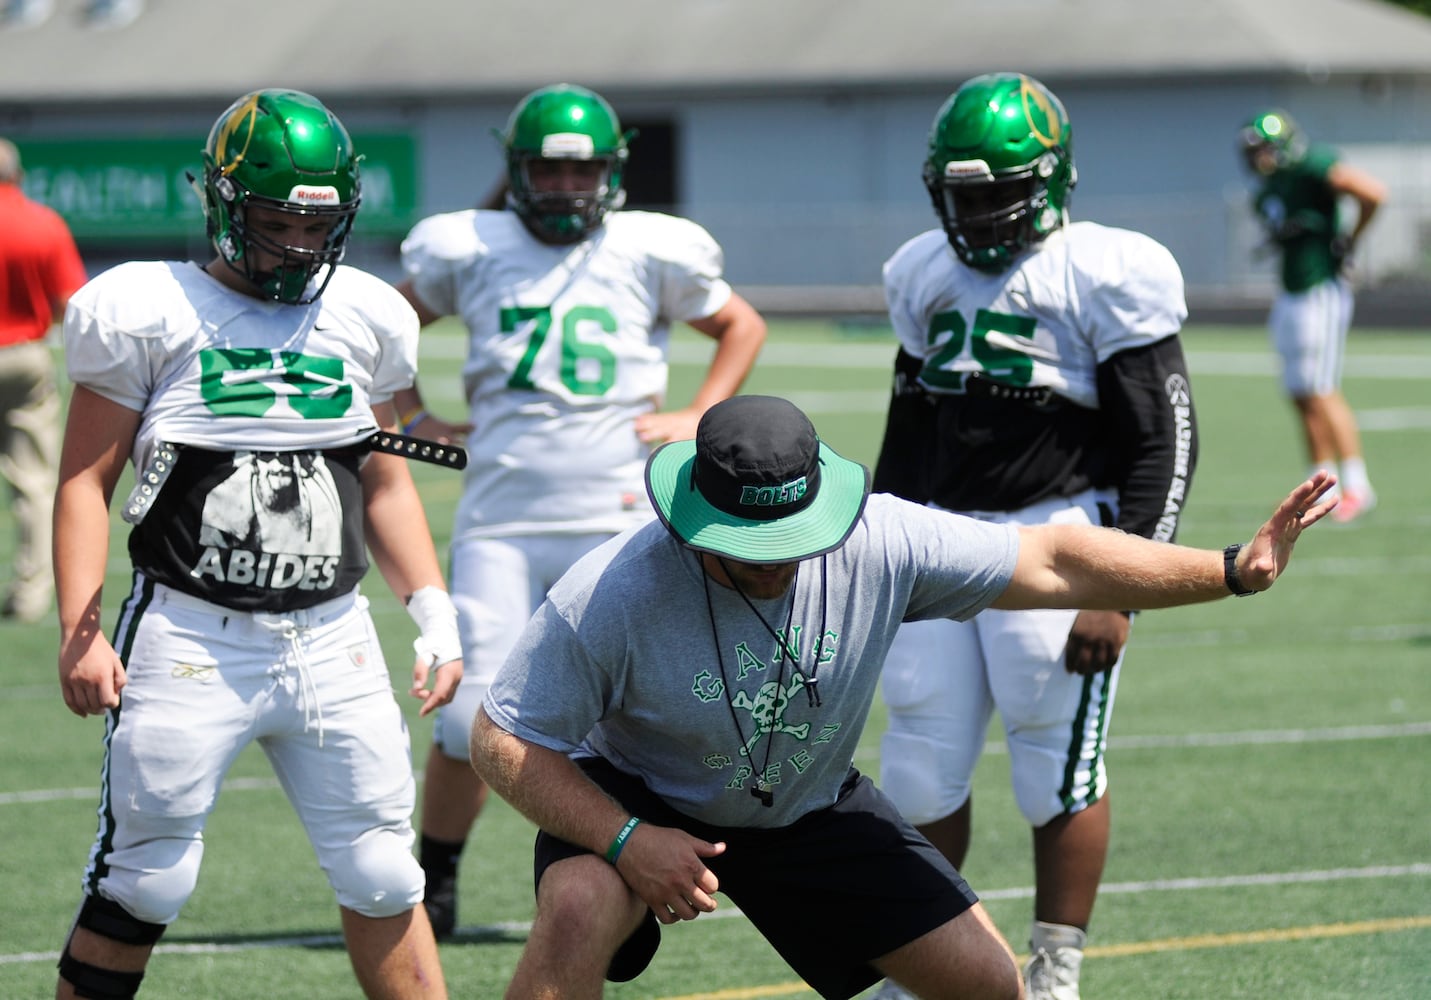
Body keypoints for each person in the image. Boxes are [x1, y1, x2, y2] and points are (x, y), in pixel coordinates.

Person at [467, 393, 1336, 1000]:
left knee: (988, 986)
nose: (775, 565)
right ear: (695, 524)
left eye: (793, 541)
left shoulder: (881, 537)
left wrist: (1228, 570)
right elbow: (501, 739)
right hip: (641, 795)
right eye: (749, 546)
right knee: (580, 905)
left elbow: (1052, 558)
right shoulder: (611, 591)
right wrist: (626, 838)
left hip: (803, 803)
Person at [52, 89, 463, 1000]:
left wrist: (434, 614)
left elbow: (386, 479)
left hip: (332, 633)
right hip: (192, 634)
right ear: (226, 205)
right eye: (277, 220)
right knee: (144, 880)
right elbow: (85, 480)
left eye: (318, 224)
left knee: (385, 874)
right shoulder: (146, 308)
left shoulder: (365, 313)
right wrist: (81, 629)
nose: (299, 246)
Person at [392, 81, 767, 938]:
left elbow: (739, 325)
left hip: (618, 515)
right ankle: (437, 874)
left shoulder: (646, 249)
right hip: (502, 519)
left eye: (580, 170)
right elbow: (388, 325)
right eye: (547, 172)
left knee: (625, 721)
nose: (564, 188)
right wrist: (411, 418)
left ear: (611, 170)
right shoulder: (472, 247)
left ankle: (616, 882)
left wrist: (697, 412)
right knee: (464, 720)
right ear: (517, 172)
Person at [869, 72, 1199, 1000]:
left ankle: (1055, 968)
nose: (975, 213)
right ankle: (924, 958)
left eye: (995, 192)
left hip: (1056, 539)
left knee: (1052, 768)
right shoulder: (918, 272)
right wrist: (877, 551)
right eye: (960, 194)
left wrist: (1120, 586)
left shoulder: (1104, 268)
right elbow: (908, 430)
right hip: (937, 541)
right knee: (920, 766)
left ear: (1049, 183)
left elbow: (1162, 439)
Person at [1238, 107, 1386, 523]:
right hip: (1291, 292)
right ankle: (1321, 482)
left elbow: (1373, 193)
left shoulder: (1310, 166)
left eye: (1263, 150)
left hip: (1318, 289)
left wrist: (1350, 240)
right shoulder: (1271, 188)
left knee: (1321, 387)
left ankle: (1358, 485)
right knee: (1300, 392)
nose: (1257, 160)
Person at [0, 137, 87, 623]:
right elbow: (66, 304)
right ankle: (30, 595)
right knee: (31, 480)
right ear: (18, 175)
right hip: (24, 356)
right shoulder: (42, 223)